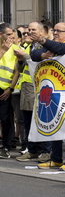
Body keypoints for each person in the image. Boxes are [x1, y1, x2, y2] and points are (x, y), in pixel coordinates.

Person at [31, 22, 65, 171]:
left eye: (59, 31)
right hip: (55, 92)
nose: (56, 33)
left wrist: (42, 40)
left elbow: (60, 49)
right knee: (55, 127)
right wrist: (43, 54)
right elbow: (34, 55)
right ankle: (56, 159)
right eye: (54, 31)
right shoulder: (52, 45)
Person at [15, 21, 52, 163]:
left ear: (42, 32)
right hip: (27, 86)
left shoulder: (46, 45)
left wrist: (24, 56)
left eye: (33, 29)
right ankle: (32, 150)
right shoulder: (29, 46)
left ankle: (45, 151)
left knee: (42, 119)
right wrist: (20, 59)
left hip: (40, 87)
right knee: (28, 120)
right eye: (28, 30)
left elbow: (39, 61)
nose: (29, 32)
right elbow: (21, 66)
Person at [0, 23, 20, 159]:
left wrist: (10, 88)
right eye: (8, 35)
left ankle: (6, 146)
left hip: (5, 89)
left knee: (6, 118)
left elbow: (17, 71)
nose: (10, 37)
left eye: (12, 35)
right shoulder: (3, 48)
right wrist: (2, 50)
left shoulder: (16, 49)